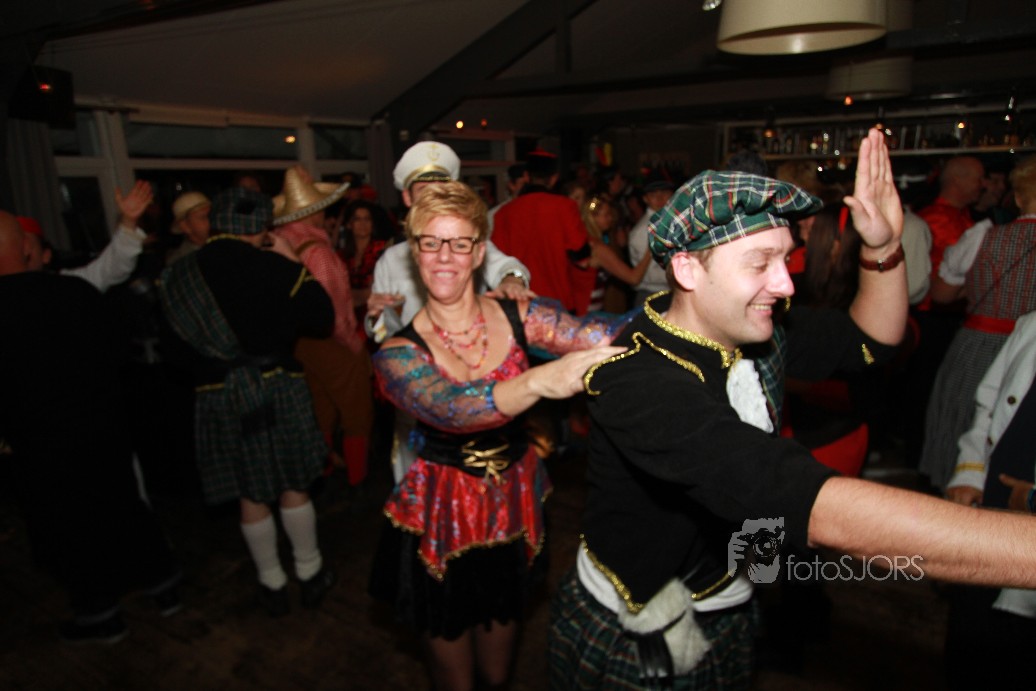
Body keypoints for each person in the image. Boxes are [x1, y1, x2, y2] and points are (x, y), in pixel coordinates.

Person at [548, 128, 1036, 689]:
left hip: (728, 599)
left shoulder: (756, 326)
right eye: (761, 263)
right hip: (637, 630)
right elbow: (802, 501)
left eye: (786, 258)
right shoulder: (637, 377)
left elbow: (873, 340)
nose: (784, 284)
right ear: (686, 270)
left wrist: (881, 248)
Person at [369, 181, 629, 691]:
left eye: (459, 242)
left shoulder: (518, 314)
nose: (445, 256)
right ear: (415, 252)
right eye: (430, 242)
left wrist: (694, 299)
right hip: (441, 523)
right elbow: (454, 408)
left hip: (514, 508)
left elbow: (599, 334)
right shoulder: (398, 352)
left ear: (479, 251)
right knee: (457, 681)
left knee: (496, 674)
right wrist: (539, 381)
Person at [0, 210, 181, 644]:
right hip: (103, 427)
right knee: (124, 505)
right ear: (26, 249)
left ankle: (101, 614)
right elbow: (119, 351)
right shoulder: (75, 292)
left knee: (67, 527)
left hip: (41, 444)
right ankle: (163, 587)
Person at [157, 186, 336, 617]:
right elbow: (322, 319)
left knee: (248, 493)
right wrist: (294, 263)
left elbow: (172, 353)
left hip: (219, 394)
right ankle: (310, 573)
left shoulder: (177, 277)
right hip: (278, 385)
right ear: (260, 227)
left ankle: (272, 583)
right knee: (293, 484)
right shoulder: (274, 266)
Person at [365, 140, 532, 484]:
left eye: (441, 192)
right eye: (423, 192)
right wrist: (376, 319)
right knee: (420, 482)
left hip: (475, 381)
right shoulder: (391, 259)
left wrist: (513, 281)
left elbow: (507, 266)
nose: (432, 200)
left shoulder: (464, 243)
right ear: (407, 198)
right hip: (420, 393)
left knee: (481, 480)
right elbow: (385, 334)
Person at [919, 153, 1036, 490]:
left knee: (962, 424)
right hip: (1029, 355)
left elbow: (941, 295)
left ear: (1017, 198)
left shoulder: (981, 236)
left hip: (978, 346)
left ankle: (956, 493)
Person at [943, 310, 1036, 689]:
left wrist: (1032, 501)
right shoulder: (1031, 325)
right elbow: (989, 404)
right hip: (990, 513)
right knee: (971, 640)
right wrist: (970, 471)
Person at [272, 166, 373, 488]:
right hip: (330, 340)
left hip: (298, 342)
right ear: (313, 212)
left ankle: (324, 472)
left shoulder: (280, 244)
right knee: (357, 411)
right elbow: (332, 308)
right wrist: (352, 344)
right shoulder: (318, 251)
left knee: (321, 407)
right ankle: (358, 481)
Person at [492, 149, 594, 315]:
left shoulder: (503, 213)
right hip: (558, 303)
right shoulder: (565, 207)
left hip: (519, 304)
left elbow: (496, 262)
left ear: (526, 176)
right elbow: (582, 259)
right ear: (554, 178)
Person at [22, 180, 154, 292]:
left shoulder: (63, 286)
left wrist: (128, 222)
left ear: (46, 255)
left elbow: (111, 269)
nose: (23, 251)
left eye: (27, 246)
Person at [580, 193, 652, 314]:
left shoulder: (586, 240)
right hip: (588, 310)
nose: (611, 218)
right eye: (606, 215)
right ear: (593, 218)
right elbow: (633, 278)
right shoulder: (598, 248)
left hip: (584, 307)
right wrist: (650, 249)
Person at [628, 171, 677, 306]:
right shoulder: (643, 230)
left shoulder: (672, 221)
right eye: (654, 195)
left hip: (670, 292)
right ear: (645, 199)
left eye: (664, 193)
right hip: (652, 294)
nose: (660, 198)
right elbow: (650, 274)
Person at [165, 191, 211, 265]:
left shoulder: (223, 244)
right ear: (185, 226)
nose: (210, 221)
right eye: (203, 217)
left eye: (211, 215)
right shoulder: (181, 262)